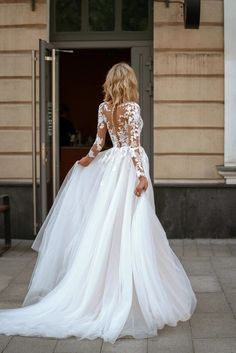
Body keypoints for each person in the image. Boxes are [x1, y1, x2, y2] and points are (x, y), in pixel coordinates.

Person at [0, 63, 197, 343]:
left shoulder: (103, 108)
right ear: (129, 82)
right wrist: (142, 177)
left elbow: (98, 143)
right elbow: (133, 145)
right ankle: (129, 293)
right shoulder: (131, 108)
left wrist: (88, 160)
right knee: (130, 227)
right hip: (127, 169)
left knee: (106, 225)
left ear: (109, 82)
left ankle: (101, 288)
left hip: (110, 169)